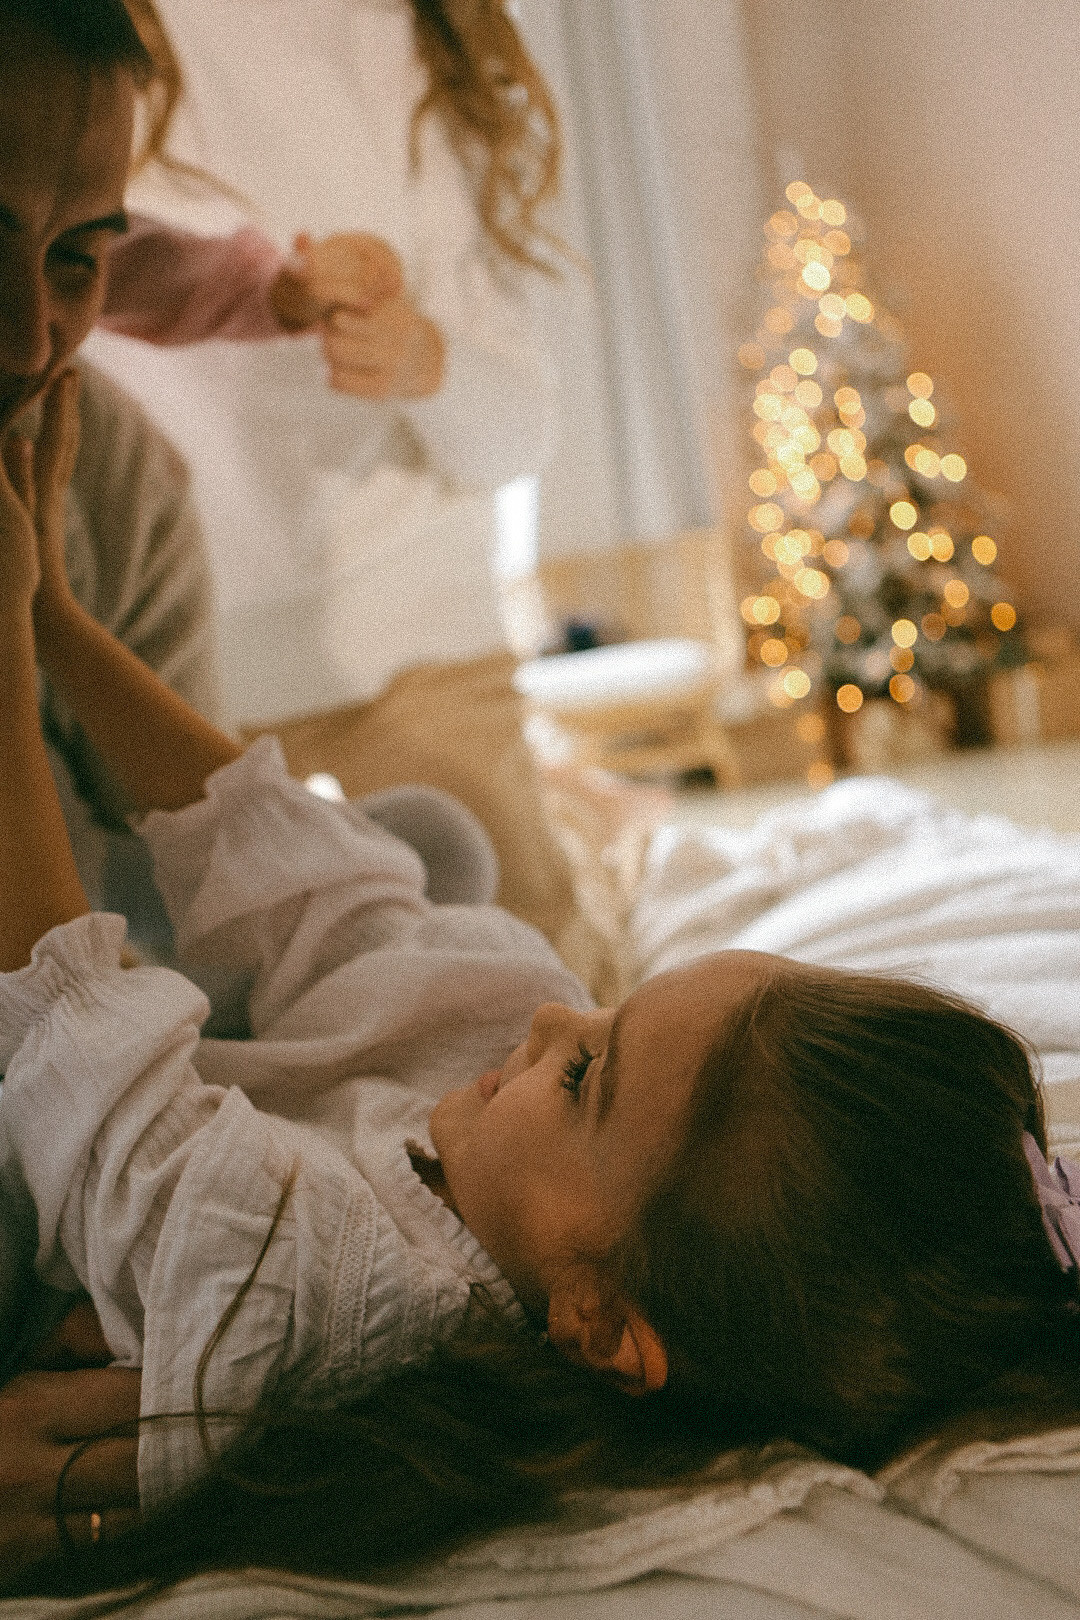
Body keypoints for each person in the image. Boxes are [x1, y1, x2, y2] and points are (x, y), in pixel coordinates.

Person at [2, 368, 1079, 1598]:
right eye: (618, 1010)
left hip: (43, 1173)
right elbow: (326, 887)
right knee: (421, 861)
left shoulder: (322, 1288)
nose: (555, 1014)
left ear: (597, 1323)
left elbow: (67, 1020)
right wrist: (57, 626)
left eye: (585, 1075)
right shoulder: (503, 1114)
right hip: (247, 1065)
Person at [88, 0, 596, 980]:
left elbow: (518, 434)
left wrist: (428, 361)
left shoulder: (415, 34)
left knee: (536, 992)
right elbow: (136, 271)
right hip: (168, 666)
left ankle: (589, 844)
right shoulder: (72, 36)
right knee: (222, 1036)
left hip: (412, 645)